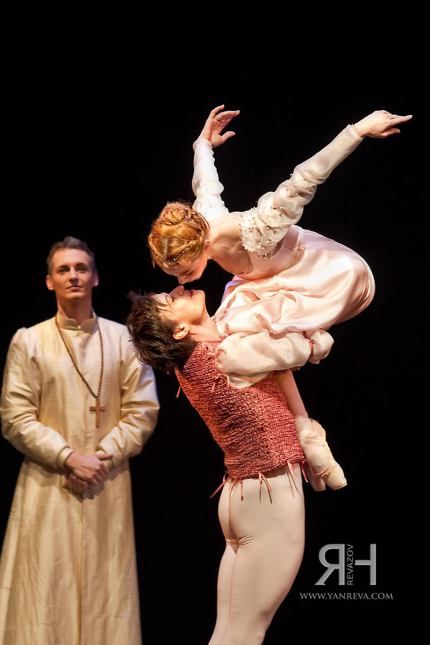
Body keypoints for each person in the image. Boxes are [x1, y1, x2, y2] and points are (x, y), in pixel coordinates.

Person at [127, 286, 332, 645]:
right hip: (269, 495)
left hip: (244, 496)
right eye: (171, 301)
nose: (177, 289)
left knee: (230, 634)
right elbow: (284, 341)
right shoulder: (224, 354)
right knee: (243, 635)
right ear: (179, 331)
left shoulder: (198, 359)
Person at [148, 106, 412, 385]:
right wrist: (202, 144)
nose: (180, 281)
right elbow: (205, 182)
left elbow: (304, 180)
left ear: (201, 247)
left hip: (328, 275)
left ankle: (305, 346)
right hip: (274, 281)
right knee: (232, 314)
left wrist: (357, 131)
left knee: (235, 321)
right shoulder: (204, 221)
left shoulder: (256, 227)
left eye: (184, 271)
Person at [0, 236, 159, 645]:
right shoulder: (30, 341)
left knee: (106, 590)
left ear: (96, 277)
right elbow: (15, 416)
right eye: (64, 269)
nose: (73, 275)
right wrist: (69, 457)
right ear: (49, 282)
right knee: (45, 589)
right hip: (49, 481)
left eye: (81, 268)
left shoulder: (123, 339)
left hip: (105, 482)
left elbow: (142, 409)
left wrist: (99, 458)